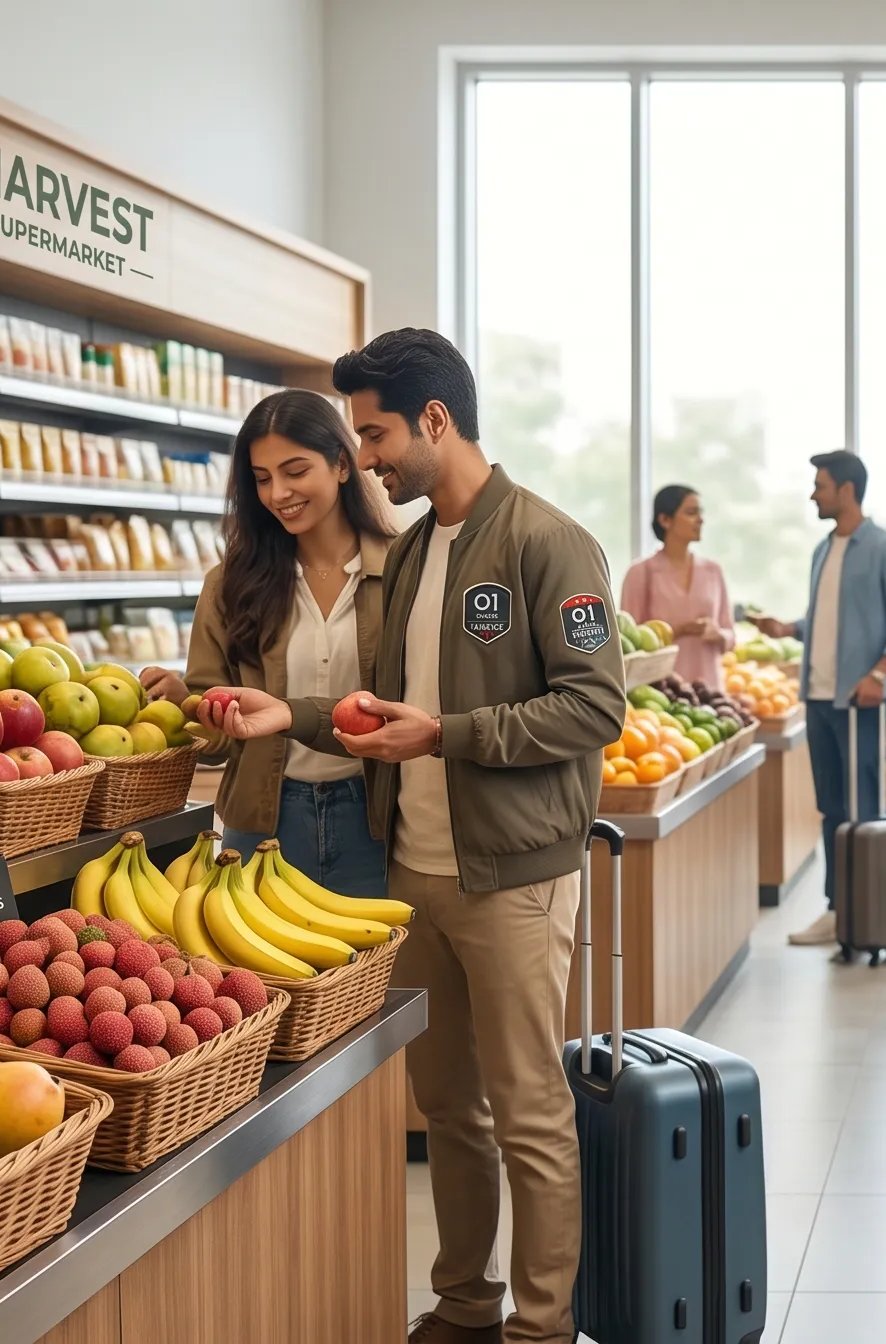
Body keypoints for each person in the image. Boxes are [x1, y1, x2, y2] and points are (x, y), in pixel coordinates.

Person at [191, 328, 625, 1344]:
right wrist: (287, 717)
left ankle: (543, 1326)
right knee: (452, 1112)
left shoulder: (549, 541)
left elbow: (595, 707)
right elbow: (377, 708)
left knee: (528, 1112)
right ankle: (466, 1303)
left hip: (513, 875)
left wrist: (451, 735)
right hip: (409, 872)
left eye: (375, 433)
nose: (368, 459)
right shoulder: (421, 548)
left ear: (435, 420)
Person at [144, 391, 397, 896]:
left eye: (295, 471)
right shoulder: (230, 584)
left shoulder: (401, 570)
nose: (278, 492)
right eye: (262, 479)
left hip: (379, 822)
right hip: (264, 821)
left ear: (342, 464)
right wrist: (184, 703)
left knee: (377, 974)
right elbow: (216, 744)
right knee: (261, 977)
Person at [751, 450, 886, 948]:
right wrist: (787, 628)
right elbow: (829, 625)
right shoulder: (823, 550)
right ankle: (838, 907)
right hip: (820, 701)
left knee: (862, 808)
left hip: (860, 705)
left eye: (820, 485)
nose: (813, 494)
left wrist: (878, 675)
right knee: (832, 809)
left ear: (846, 490)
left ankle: (869, 910)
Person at [621, 484, 734, 685]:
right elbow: (629, 645)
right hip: (661, 692)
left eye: (701, 512)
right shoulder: (640, 573)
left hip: (711, 691)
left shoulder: (713, 571)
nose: (701, 519)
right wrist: (677, 631)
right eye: (691, 512)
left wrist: (717, 634)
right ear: (665, 520)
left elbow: (730, 635)